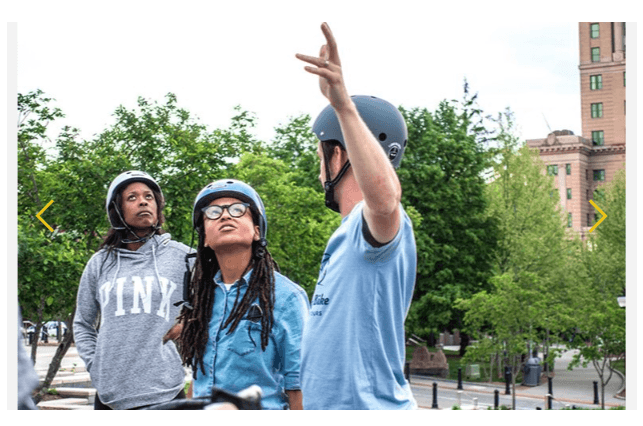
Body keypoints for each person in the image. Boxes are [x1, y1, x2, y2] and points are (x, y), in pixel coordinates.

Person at [296, 23, 417, 409]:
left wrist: (343, 106)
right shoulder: (348, 234)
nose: (318, 171)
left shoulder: (377, 228)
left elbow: (385, 200)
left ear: (339, 155)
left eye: (321, 156)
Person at [174, 179, 309, 410]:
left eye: (238, 209)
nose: (225, 216)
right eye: (213, 212)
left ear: (257, 231)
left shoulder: (287, 298)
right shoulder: (201, 300)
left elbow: (300, 385)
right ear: (205, 238)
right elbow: (198, 379)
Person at [73, 170, 192, 409]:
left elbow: (218, 300)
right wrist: (95, 365)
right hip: (110, 397)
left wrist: (191, 321)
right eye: (132, 197)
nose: (143, 201)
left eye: (149, 196)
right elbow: (83, 323)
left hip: (166, 393)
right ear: (117, 210)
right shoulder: (100, 263)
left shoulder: (184, 257)